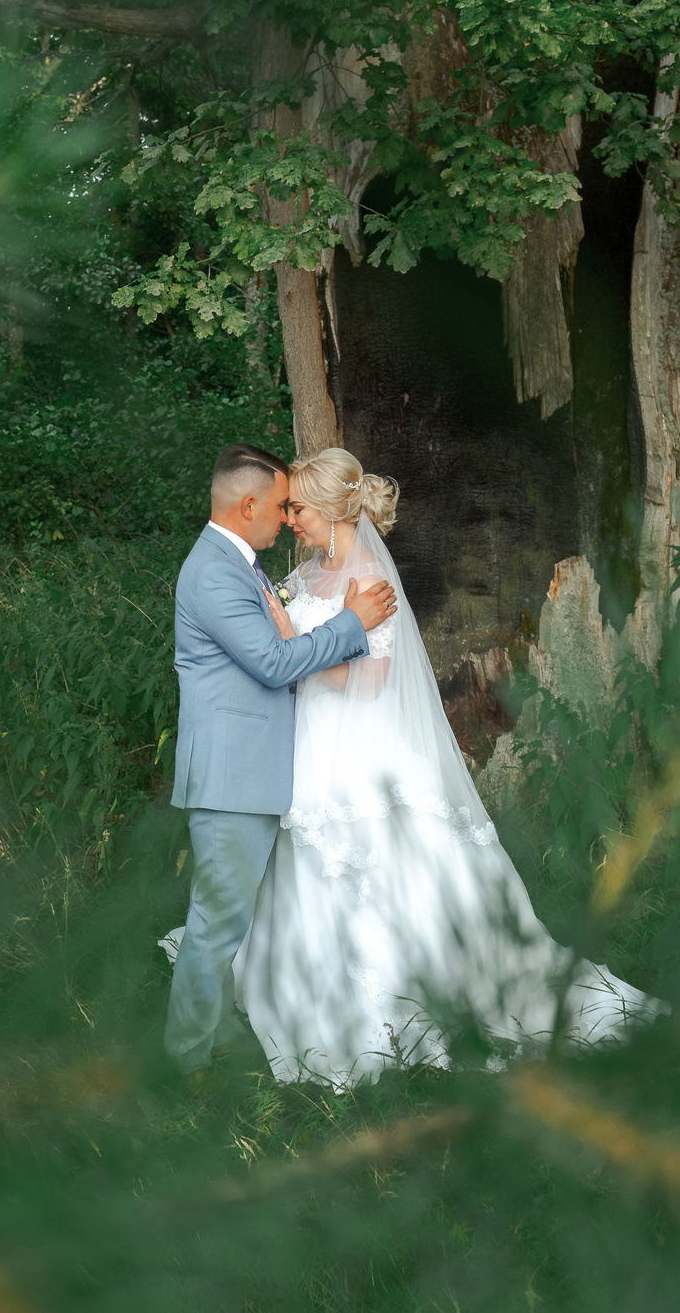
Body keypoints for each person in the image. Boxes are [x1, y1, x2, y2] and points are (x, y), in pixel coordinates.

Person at [225, 447, 655, 1086]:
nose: (292, 520)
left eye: (300, 509)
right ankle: (309, 977)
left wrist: (293, 645)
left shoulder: (369, 579)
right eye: (290, 510)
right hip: (314, 740)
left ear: (336, 511)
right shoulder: (312, 572)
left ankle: (414, 994)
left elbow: (368, 685)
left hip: (360, 745)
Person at [162, 443, 399, 1075]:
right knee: (216, 924)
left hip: (255, 771)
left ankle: (215, 1038)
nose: (286, 518)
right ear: (247, 505)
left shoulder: (241, 565)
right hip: (233, 777)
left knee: (233, 923)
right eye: (278, 505)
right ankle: (185, 1064)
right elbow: (272, 664)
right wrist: (350, 624)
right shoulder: (215, 572)